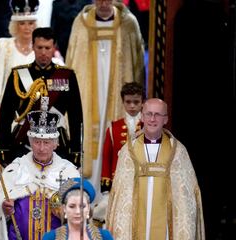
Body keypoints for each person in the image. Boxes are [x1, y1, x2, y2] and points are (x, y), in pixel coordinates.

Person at [65, 0, 145, 187]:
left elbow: (138, 65)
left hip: (117, 93)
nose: (103, 3)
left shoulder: (128, 24)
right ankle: (85, 194)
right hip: (88, 96)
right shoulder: (81, 23)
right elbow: (71, 61)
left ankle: (113, 193)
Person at [106, 98, 205, 239]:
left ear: (166, 119)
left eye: (158, 114)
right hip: (135, 224)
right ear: (142, 116)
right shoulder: (128, 151)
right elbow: (121, 195)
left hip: (166, 227)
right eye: (149, 114)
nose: (152, 119)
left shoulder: (178, 152)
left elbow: (186, 196)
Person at [0, 108, 80, 239]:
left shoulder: (69, 172)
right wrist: (5, 210)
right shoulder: (15, 169)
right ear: (30, 142)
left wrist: (65, 213)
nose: (41, 148)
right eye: (36, 142)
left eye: (46, 142)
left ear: (55, 144)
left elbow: (80, 216)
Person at [0, 27, 83, 167]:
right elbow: (5, 115)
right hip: (22, 141)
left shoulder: (67, 76)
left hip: (57, 141)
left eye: (47, 48)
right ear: (33, 47)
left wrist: (76, 149)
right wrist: (3, 147)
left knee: (63, 184)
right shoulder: (18, 74)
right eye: (40, 47)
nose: (43, 52)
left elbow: (75, 116)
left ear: (54, 47)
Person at [93, 82, 144, 226]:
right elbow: (106, 158)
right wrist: (106, 189)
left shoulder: (148, 127)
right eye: (128, 102)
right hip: (118, 182)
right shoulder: (113, 127)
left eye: (136, 102)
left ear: (142, 102)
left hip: (141, 180)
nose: (132, 106)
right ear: (123, 102)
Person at [0, 0, 38, 130]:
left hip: (35, 114)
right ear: (15, 25)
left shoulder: (41, 49)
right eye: (22, 23)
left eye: (31, 23)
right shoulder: (4, 46)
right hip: (8, 112)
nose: (27, 27)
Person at [43, 177, 113, 240]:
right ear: (64, 208)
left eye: (82, 206)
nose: (77, 211)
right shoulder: (50, 237)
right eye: (72, 206)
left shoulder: (104, 237)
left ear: (88, 208)